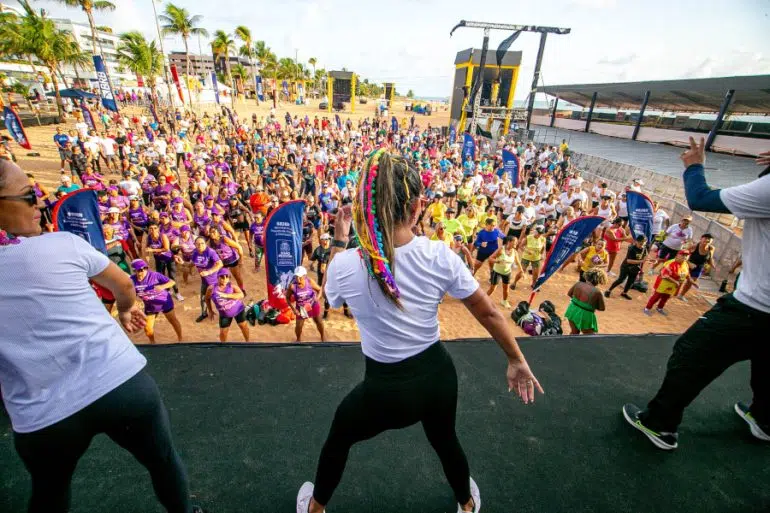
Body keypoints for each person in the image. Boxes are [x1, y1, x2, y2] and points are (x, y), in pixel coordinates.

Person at [296, 150, 543, 513]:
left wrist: (338, 239)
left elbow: (330, 299)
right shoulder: (440, 255)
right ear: (416, 208)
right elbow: (488, 312)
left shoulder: (345, 265)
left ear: (365, 207)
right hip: (438, 379)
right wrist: (516, 360)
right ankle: (468, 504)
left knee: (339, 438)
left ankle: (315, 509)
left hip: (384, 393)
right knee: (445, 441)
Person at [0, 159, 202, 512]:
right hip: (120, 383)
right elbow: (123, 285)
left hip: (42, 412)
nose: (42, 202)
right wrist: (126, 308)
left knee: (50, 494)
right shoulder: (61, 244)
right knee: (162, 462)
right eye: (29, 195)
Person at [624, 139, 770, 450]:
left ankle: (659, 425)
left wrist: (694, 166)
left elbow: (701, 198)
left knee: (690, 355)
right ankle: (765, 420)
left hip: (755, 306)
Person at [130, 258, 183, 343]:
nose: (143, 271)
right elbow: (132, 295)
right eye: (140, 270)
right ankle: (152, 343)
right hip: (150, 306)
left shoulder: (155, 275)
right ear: (134, 271)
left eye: (145, 268)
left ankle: (180, 339)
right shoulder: (131, 281)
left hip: (164, 302)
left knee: (173, 320)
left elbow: (172, 282)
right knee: (147, 327)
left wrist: (162, 287)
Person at [206, 268, 250, 342]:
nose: (225, 279)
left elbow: (241, 295)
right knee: (223, 332)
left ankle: (248, 342)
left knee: (243, 326)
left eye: (227, 277)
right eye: (222, 277)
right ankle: (224, 347)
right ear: (217, 277)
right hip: (224, 314)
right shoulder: (211, 289)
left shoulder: (232, 286)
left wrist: (226, 295)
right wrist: (210, 310)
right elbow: (207, 299)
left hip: (238, 310)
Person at [644, 250, 692, 316]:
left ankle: (660, 308)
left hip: (673, 284)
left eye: (686, 256)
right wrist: (676, 282)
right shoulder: (670, 263)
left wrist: (691, 280)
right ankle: (647, 308)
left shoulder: (685, 264)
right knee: (657, 296)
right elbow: (665, 275)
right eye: (683, 255)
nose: (685, 257)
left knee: (666, 297)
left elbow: (686, 273)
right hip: (663, 283)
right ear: (677, 255)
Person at [286, 265, 326, 342]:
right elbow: (287, 298)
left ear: (304, 276)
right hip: (302, 308)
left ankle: (322, 336)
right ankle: (298, 339)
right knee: (299, 326)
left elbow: (320, 290)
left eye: (300, 276)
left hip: (313, 305)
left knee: (319, 321)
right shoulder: (292, 286)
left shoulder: (309, 281)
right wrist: (293, 309)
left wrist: (317, 298)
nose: (298, 279)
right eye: (296, 276)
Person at [605, 235, 648, 300]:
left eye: (644, 244)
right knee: (621, 279)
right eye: (640, 244)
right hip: (626, 267)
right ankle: (608, 290)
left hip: (635, 268)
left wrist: (650, 260)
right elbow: (629, 261)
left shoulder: (644, 248)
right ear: (636, 241)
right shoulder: (631, 248)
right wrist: (641, 261)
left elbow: (645, 256)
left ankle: (624, 293)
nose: (642, 245)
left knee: (631, 281)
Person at [564, 268, 607, 335]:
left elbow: (569, 294)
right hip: (586, 315)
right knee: (589, 337)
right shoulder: (597, 292)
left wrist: (578, 302)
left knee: (574, 333)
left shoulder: (578, 284)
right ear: (598, 281)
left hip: (572, 309)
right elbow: (602, 308)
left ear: (587, 276)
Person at [676, 233, 716, 302]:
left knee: (690, 282)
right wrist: (689, 262)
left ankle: (681, 295)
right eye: (705, 238)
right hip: (687, 266)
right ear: (701, 238)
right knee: (681, 280)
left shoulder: (711, 248)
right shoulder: (694, 246)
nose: (707, 240)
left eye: (709, 239)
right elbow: (682, 254)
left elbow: (710, 258)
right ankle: (674, 292)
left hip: (699, 268)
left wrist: (712, 265)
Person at [486, 236, 523, 308]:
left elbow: (518, 262)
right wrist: (498, 261)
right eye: (514, 242)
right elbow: (490, 259)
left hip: (507, 273)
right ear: (509, 242)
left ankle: (504, 301)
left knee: (506, 289)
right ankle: (484, 299)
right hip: (497, 272)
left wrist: (521, 271)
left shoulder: (514, 252)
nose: (516, 243)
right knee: (492, 288)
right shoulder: (501, 250)